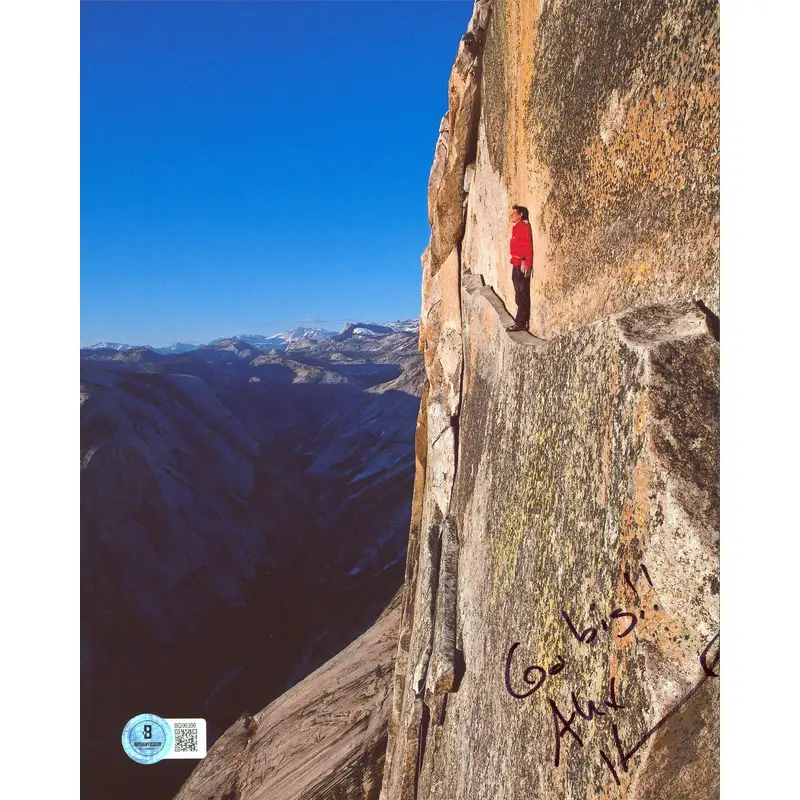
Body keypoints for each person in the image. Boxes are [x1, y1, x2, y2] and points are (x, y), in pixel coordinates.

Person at [506, 204, 533, 332]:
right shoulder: (516, 228)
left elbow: (528, 245)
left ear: (521, 215)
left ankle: (521, 322)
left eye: (515, 213)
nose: (512, 215)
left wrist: (527, 262)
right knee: (518, 294)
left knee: (522, 294)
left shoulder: (524, 227)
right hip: (515, 263)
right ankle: (523, 321)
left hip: (521, 265)